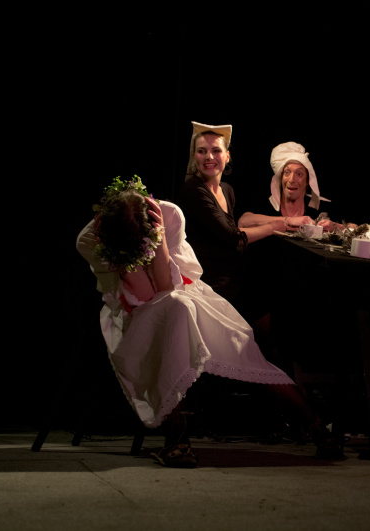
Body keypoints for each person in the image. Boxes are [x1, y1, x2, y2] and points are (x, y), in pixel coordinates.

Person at [78, 176, 342, 467]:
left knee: (239, 347)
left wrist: (160, 237)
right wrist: (127, 260)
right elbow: (143, 296)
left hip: (186, 295)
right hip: (134, 313)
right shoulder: (91, 240)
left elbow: (168, 286)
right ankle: (177, 435)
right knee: (177, 312)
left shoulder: (170, 216)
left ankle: (316, 426)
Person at [177, 123, 311, 307]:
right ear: (194, 156)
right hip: (206, 286)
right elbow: (232, 236)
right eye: (202, 151)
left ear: (227, 156)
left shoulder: (227, 190)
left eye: (216, 150)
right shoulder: (193, 190)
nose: (209, 156)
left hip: (231, 282)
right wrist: (275, 226)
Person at [238, 141, 353, 233]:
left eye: (299, 174)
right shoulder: (267, 204)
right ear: (281, 177)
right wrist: (290, 220)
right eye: (287, 172)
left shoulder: (319, 208)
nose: (292, 180)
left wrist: (336, 227)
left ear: (307, 181)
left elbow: (356, 228)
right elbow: (243, 221)